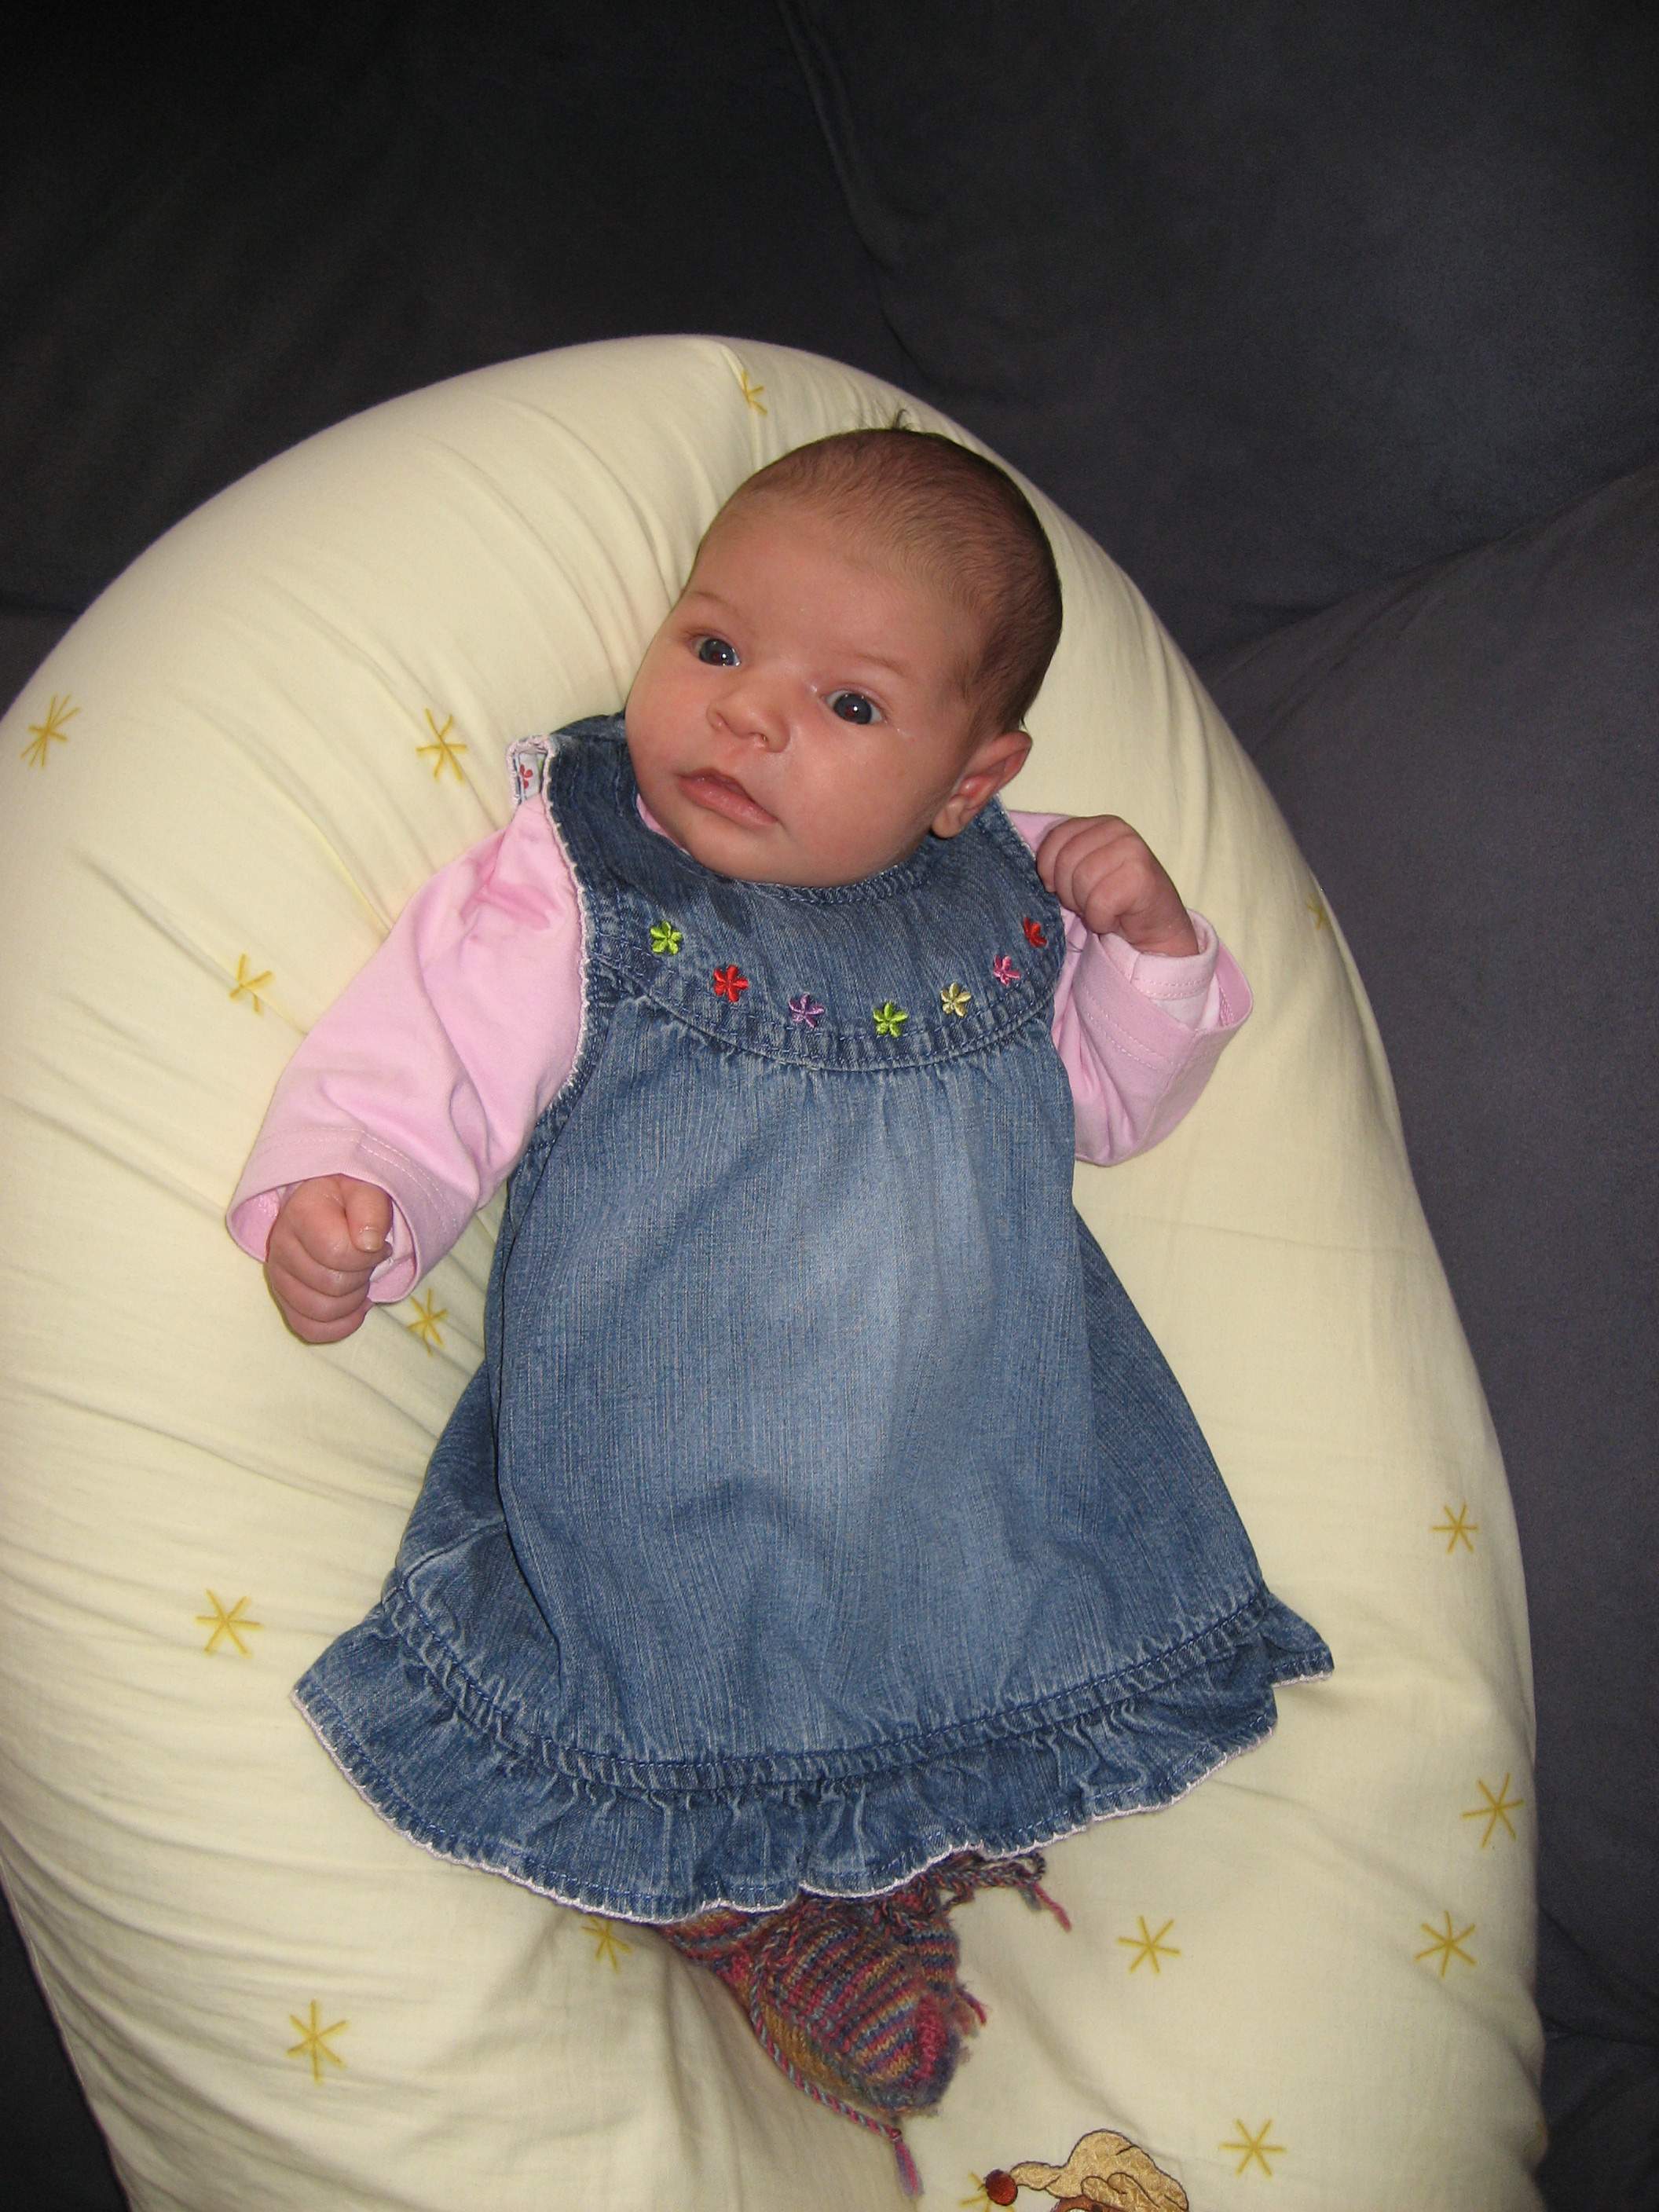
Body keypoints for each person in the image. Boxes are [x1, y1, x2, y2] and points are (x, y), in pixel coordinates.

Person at [229, 428, 1330, 2188]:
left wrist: (1153, 951)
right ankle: (753, 1890)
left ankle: (905, 1840)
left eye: (851, 704)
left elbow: (1113, 1108)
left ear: (971, 780)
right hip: (685, 1446)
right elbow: (428, 1047)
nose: (746, 717)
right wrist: (352, 1193)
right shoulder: (585, 871)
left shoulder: (1017, 894)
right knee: (696, 1650)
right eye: (718, 645)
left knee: (984, 1614)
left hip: (978, 1439)